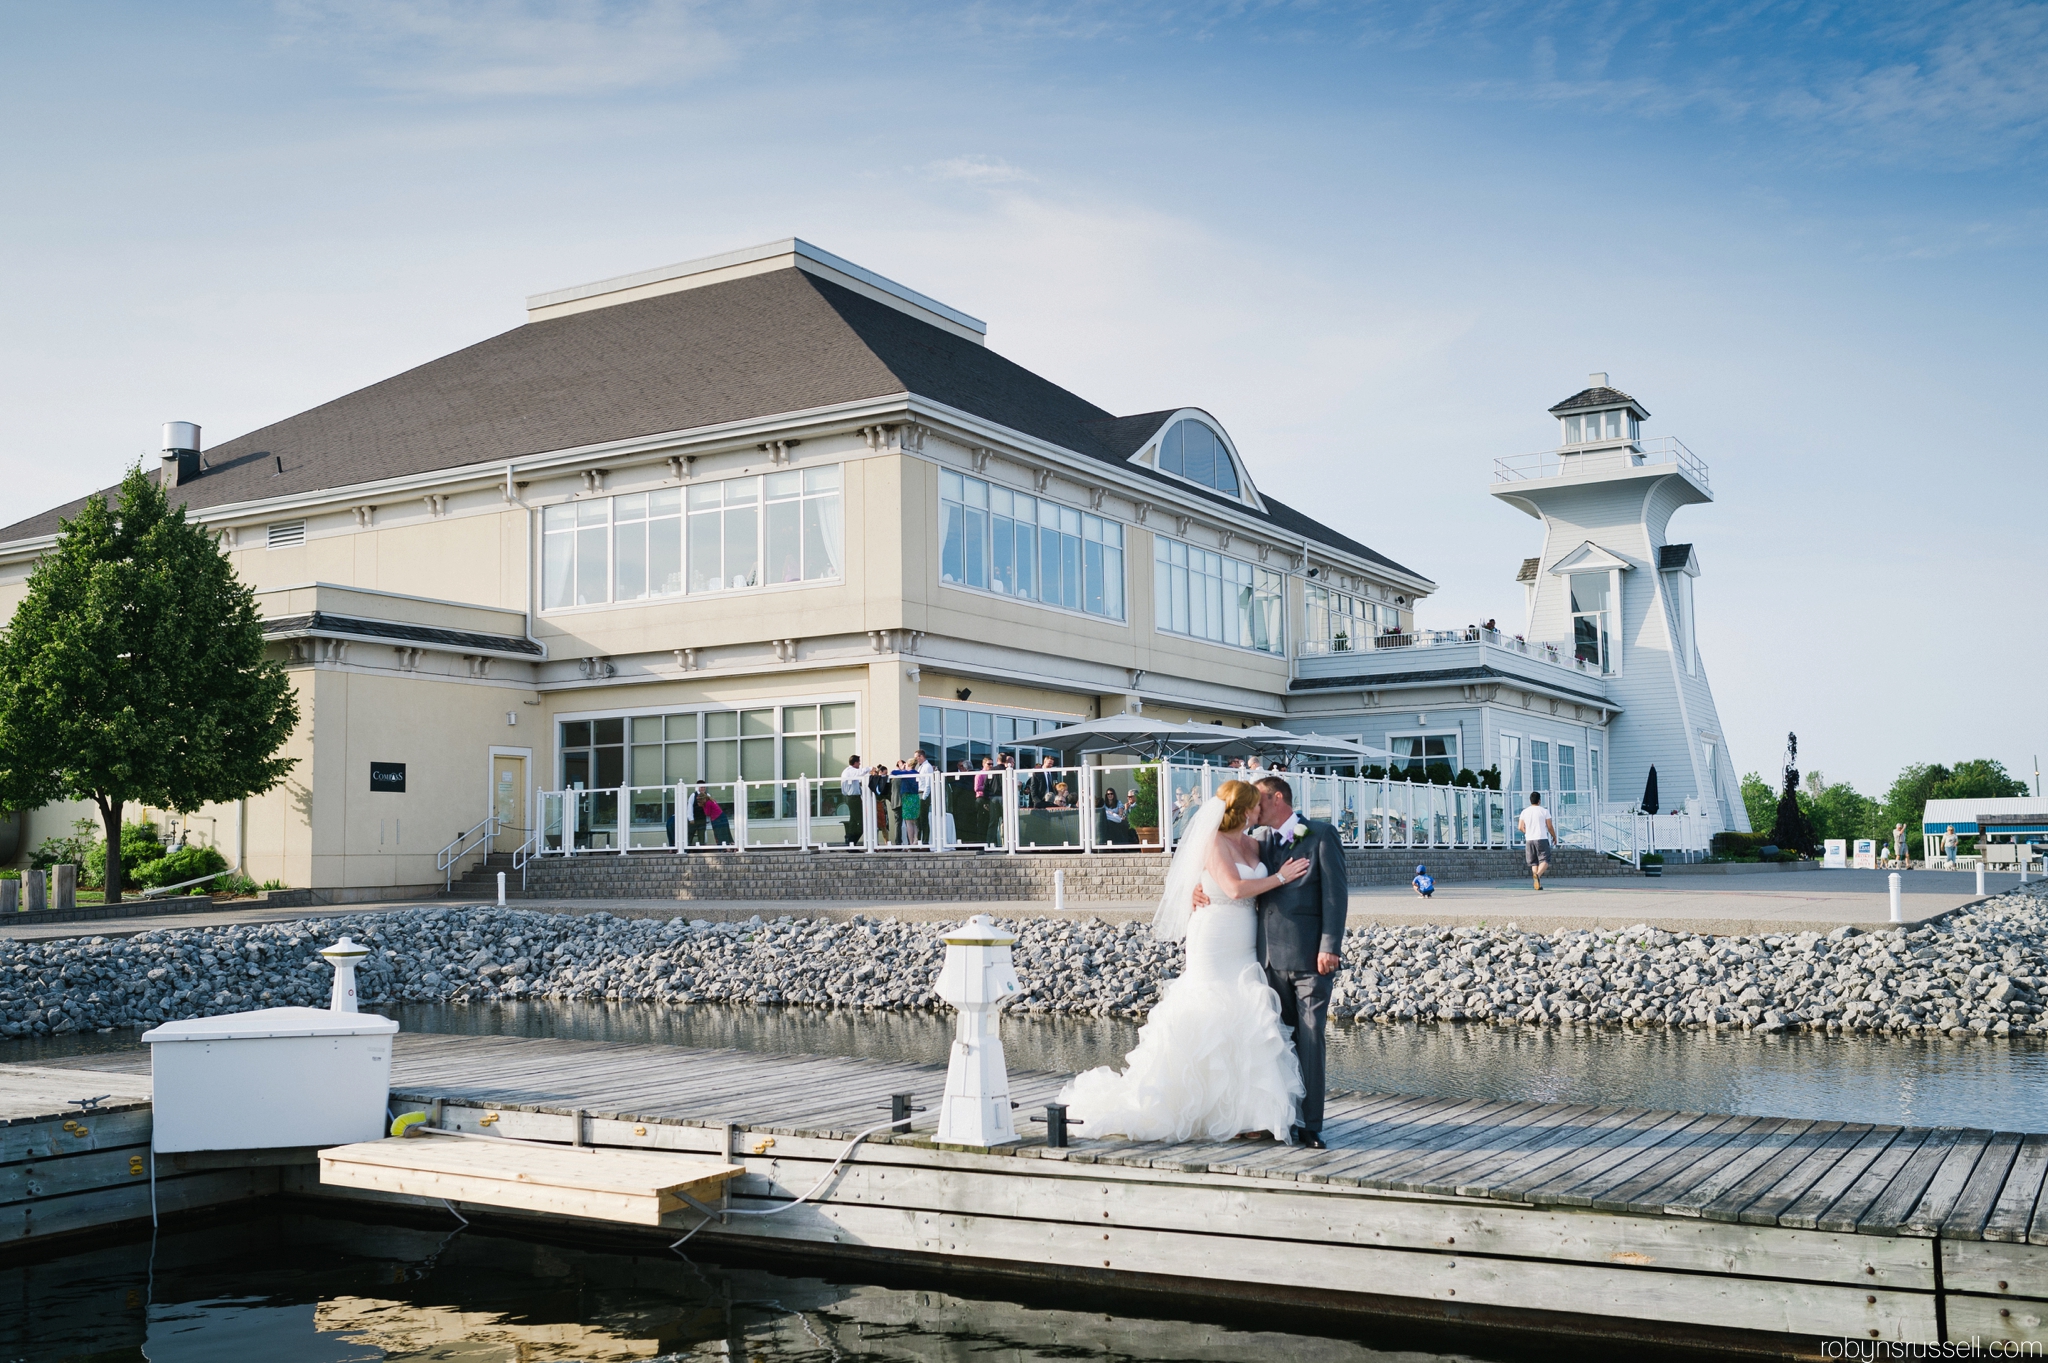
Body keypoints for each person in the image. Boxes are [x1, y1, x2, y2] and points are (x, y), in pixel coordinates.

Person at [1058, 779, 1312, 1142]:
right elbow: (1234, 888)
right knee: (1211, 1008)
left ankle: (1249, 1115)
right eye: (1255, 806)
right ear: (1242, 810)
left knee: (1245, 1012)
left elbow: (1289, 843)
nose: (1260, 811)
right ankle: (1202, 1110)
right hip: (1213, 936)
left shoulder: (1254, 843)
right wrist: (1279, 877)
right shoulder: (1214, 841)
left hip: (1244, 939)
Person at [1520, 791, 1554, 889]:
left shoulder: (1524, 812)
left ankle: (1537, 884)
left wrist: (1527, 832)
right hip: (1541, 838)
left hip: (1529, 839)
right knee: (1545, 860)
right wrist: (1554, 836)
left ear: (1530, 800)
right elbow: (1549, 826)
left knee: (1534, 862)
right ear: (1539, 801)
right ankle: (1538, 875)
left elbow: (1520, 827)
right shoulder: (1544, 811)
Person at [839, 754, 866, 848]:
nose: (860, 764)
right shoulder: (850, 771)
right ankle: (851, 841)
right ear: (855, 763)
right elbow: (861, 772)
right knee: (861, 822)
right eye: (859, 762)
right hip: (853, 798)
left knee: (853, 821)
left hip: (852, 798)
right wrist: (870, 768)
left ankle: (850, 843)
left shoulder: (848, 772)